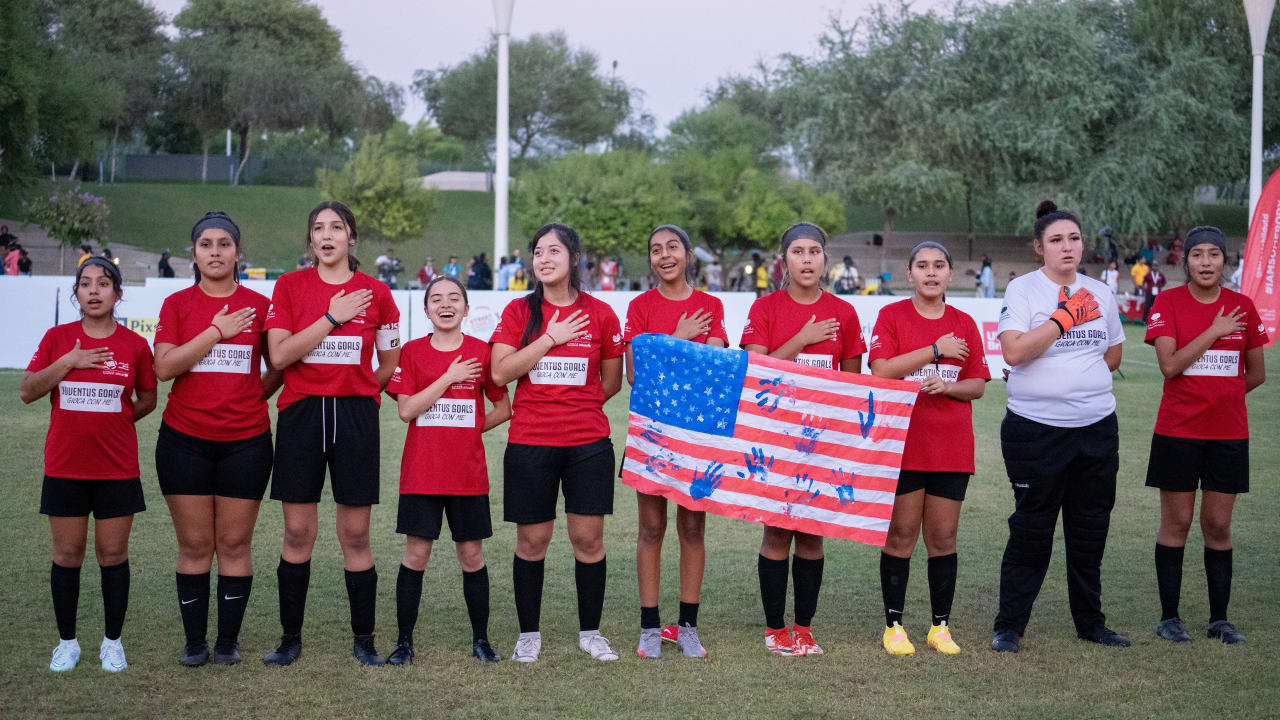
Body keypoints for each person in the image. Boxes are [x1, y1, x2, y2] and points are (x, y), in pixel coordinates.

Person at [261, 201, 402, 667]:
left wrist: (359, 392)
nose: (326, 236)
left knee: (356, 534)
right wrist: (331, 317)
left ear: (351, 238)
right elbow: (279, 357)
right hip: (302, 415)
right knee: (298, 531)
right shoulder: (289, 287)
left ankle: (364, 640)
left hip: (356, 417)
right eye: (317, 228)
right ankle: (289, 639)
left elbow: (388, 363)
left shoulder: (377, 292)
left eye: (336, 228)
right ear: (310, 240)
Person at [991, 200, 1126, 654]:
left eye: (1074, 238)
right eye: (1056, 240)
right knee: (1032, 530)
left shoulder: (1100, 293)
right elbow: (1014, 353)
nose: (1067, 247)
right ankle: (1009, 626)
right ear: (1038, 248)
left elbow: (1112, 355)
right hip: (1036, 431)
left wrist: (1076, 380)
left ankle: (1090, 623)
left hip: (1096, 429)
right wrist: (1064, 318)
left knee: (1090, 531)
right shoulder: (1024, 291)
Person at [490, 223, 624, 663]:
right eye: (538, 252)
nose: (543, 259)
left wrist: (576, 406)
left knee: (588, 539)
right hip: (531, 442)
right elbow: (500, 373)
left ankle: (591, 633)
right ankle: (529, 634)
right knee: (532, 541)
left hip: (588, 443)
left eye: (554, 251)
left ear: (574, 258)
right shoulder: (517, 312)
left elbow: (610, 382)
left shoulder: (601, 314)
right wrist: (550, 339)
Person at [152, 212, 282, 667]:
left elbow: (280, 364)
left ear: (238, 252)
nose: (214, 251)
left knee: (233, 545)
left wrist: (249, 396)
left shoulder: (260, 305)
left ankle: (227, 641)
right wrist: (215, 332)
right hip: (183, 440)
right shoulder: (177, 305)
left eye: (223, 244)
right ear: (193, 253)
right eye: (205, 244)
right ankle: (194, 643)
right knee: (193, 545)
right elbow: (165, 368)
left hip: (245, 441)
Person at [21, 258, 158, 672]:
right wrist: (68, 363)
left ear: (118, 293)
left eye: (104, 283)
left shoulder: (135, 346)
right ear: (75, 293)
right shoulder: (57, 338)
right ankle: (67, 643)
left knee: (113, 553)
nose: (94, 290)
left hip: (116, 468)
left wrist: (114, 420)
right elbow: (27, 391)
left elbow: (148, 398)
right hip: (65, 466)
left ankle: (112, 643)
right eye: (85, 283)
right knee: (67, 553)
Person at [741, 222, 866, 656]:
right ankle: (775, 628)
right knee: (777, 533)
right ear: (785, 260)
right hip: (776, 440)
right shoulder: (765, 309)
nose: (807, 259)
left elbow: (852, 385)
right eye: (798, 251)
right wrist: (803, 339)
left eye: (815, 251)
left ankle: (804, 627)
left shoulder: (845, 313)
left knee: (813, 535)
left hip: (823, 442)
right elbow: (757, 371)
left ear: (825, 259)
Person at [1144, 226, 1267, 645]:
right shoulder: (1168, 302)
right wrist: (1215, 331)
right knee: (1176, 523)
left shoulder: (1243, 306)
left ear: (1225, 261)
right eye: (1198, 255)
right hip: (1177, 431)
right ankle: (1169, 618)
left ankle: (1220, 621)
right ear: (1186, 261)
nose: (1206, 262)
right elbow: (1170, 365)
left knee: (1217, 525)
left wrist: (1223, 397)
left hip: (1228, 434)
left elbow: (1256, 374)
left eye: (1214, 254)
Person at [869, 242, 989, 656]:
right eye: (922, 265)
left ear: (951, 275)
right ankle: (894, 626)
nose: (931, 272)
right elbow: (882, 371)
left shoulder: (966, 323)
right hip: (902, 445)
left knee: (943, 537)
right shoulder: (892, 317)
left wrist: (950, 386)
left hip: (951, 447)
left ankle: (940, 627)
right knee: (901, 535)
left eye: (939, 265)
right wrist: (935, 351)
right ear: (909, 274)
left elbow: (978, 384)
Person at [386, 275, 511, 665]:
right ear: (426, 310)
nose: (446, 303)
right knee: (416, 555)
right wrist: (448, 378)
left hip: (466, 474)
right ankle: (404, 643)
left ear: (466, 308)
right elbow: (406, 409)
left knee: (471, 556)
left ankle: (481, 640)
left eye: (454, 298)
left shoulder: (481, 352)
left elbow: (505, 408)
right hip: (422, 473)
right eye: (436, 298)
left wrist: (471, 428)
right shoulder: (411, 353)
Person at [622, 225, 727, 660]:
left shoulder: (711, 305)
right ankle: (650, 626)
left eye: (672, 248)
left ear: (687, 254)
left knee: (693, 528)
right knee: (651, 528)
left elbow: (714, 370)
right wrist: (679, 339)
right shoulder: (639, 306)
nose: (664, 256)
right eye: (655, 250)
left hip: (696, 437)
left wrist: (660, 351)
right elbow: (635, 375)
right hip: (651, 436)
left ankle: (687, 626)